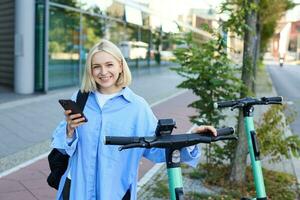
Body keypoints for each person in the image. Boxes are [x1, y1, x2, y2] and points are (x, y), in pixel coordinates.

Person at [51, 39, 217, 200]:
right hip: (76, 190)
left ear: (121, 66)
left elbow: (156, 148)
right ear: (90, 70)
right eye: (97, 67)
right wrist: (69, 131)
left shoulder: (137, 106)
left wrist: (192, 138)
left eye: (109, 65)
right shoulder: (81, 98)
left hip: (116, 192)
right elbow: (62, 148)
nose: (103, 72)